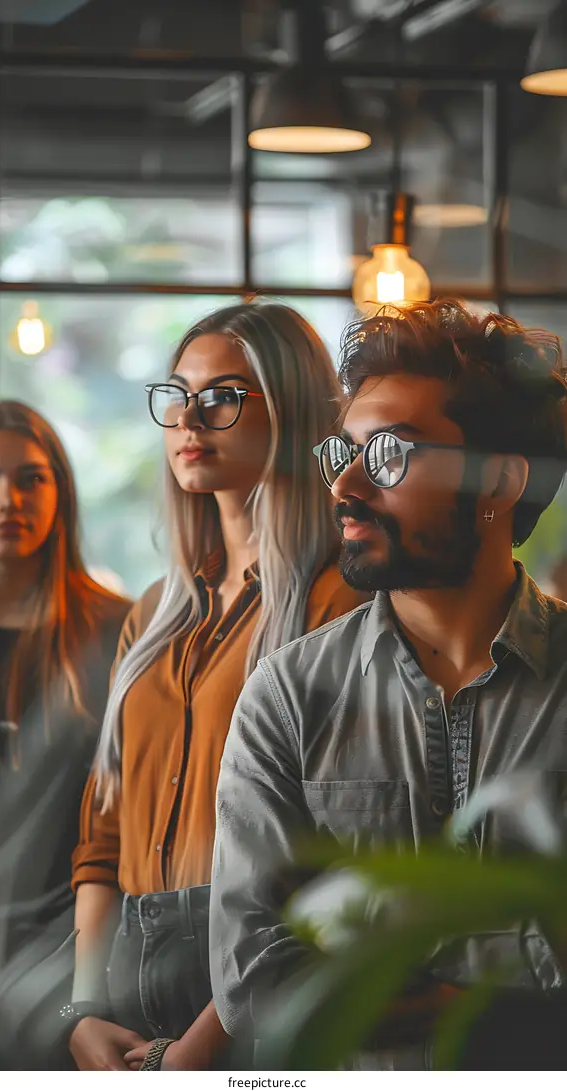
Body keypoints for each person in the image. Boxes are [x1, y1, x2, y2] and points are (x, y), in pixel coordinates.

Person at [210, 299, 567, 1070]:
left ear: (501, 480)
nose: (347, 489)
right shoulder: (288, 694)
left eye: (390, 457)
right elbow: (250, 979)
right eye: (344, 456)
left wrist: (381, 965)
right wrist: (520, 979)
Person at [67, 301, 368, 1072]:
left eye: (226, 395)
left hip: (258, 980)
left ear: (295, 407)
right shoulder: (157, 614)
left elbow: (332, 851)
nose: (190, 418)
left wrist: (201, 1048)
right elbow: (101, 831)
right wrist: (82, 1009)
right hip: (125, 974)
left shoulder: (341, 603)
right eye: (179, 394)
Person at [0, 398, 131, 1067]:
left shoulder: (119, 630)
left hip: (74, 947)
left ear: (59, 491)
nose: (8, 498)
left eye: (31, 477)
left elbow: (123, 817)